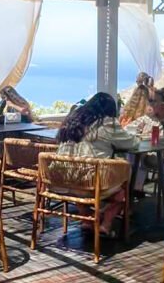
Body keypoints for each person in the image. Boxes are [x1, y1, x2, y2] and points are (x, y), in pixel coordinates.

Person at [56, 92, 136, 235]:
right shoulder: (107, 123)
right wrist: (137, 138)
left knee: (79, 174)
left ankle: (88, 219)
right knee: (123, 183)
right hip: (90, 183)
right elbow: (130, 143)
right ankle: (106, 223)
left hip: (63, 181)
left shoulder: (71, 121)